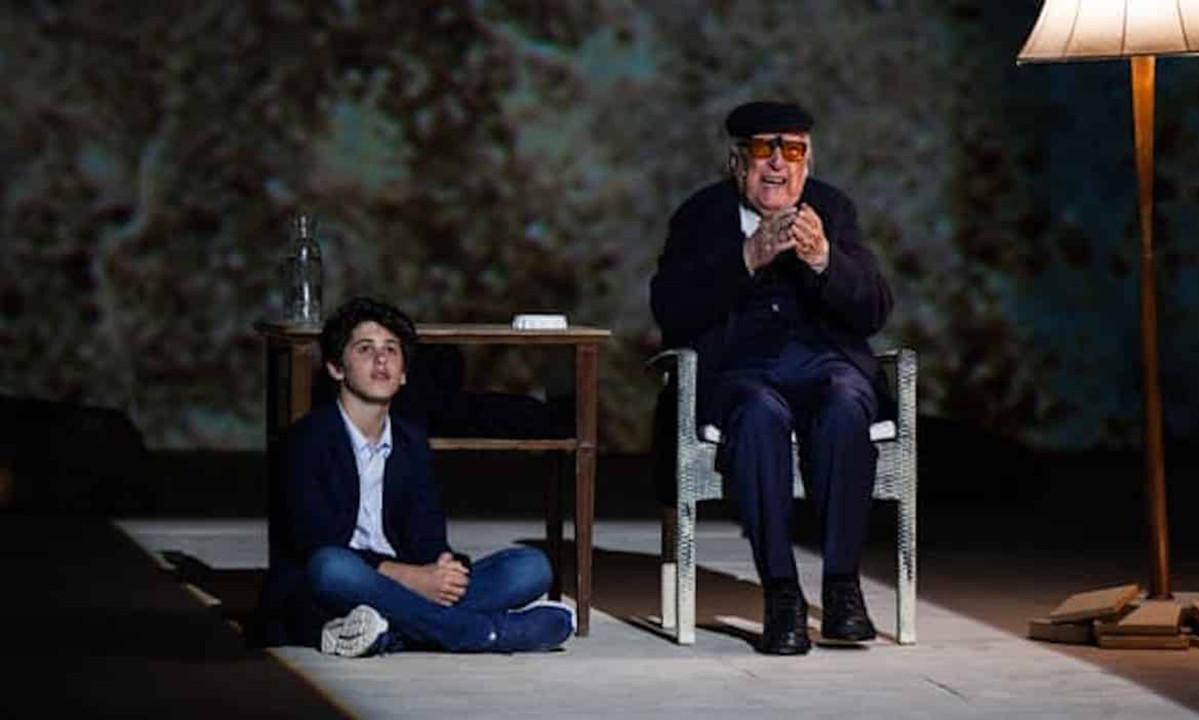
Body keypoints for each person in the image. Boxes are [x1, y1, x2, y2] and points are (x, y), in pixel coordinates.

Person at [649, 101, 893, 655]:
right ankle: (781, 592)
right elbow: (669, 309)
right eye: (764, 149)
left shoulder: (832, 208)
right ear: (737, 162)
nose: (778, 163)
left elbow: (875, 309)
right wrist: (747, 258)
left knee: (846, 402)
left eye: (793, 151)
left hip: (824, 363)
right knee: (758, 413)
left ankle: (842, 587)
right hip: (741, 368)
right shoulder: (701, 215)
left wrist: (825, 258)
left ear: (808, 163)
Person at [253, 297, 574, 656]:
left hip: (405, 585)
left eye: (391, 350)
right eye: (365, 349)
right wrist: (407, 577)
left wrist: (441, 568)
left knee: (530, 567)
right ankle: (483, 632)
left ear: (404, 373)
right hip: (340, 586)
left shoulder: (409, 439)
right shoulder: (307, 439)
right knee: (332, 568)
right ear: (336, 368)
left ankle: (388, 632)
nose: (381, 360)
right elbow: (314, 542)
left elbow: (427, 531)